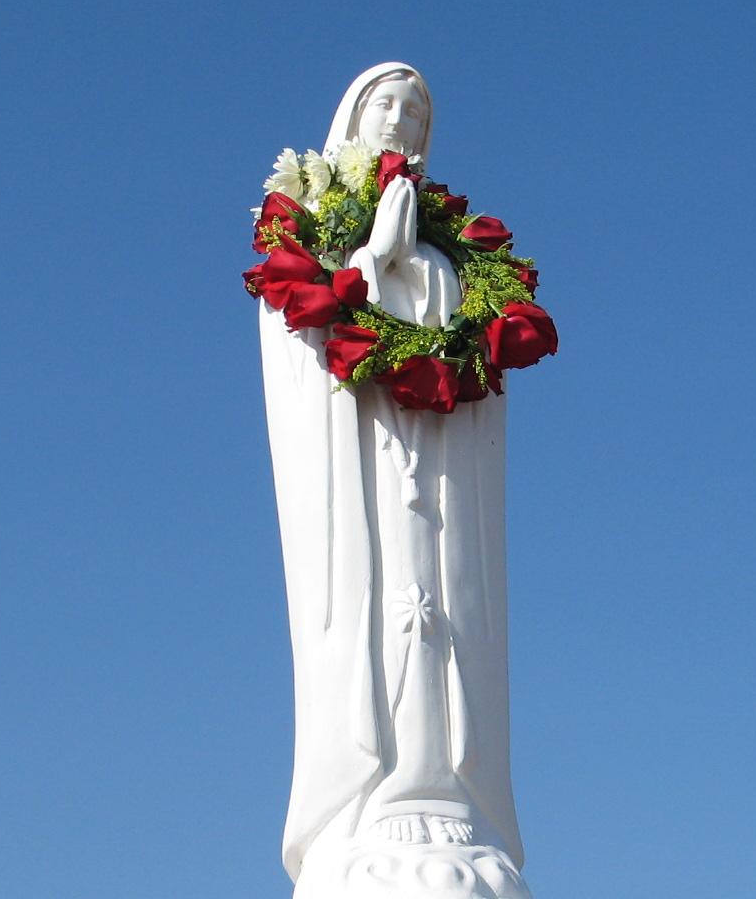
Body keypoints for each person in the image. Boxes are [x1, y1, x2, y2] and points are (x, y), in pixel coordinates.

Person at [256, 63, 527, 895]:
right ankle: (365, 794)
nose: (403, 122)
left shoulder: (450, 251)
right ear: (354, 115)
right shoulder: (313, 226)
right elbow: (297, 336)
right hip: (360, 460)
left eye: (417, 112)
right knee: (372, 611)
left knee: (444, 603)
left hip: (435, 471)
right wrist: (374, 259)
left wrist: (424, 271)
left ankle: (442, 787)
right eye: (388, 105)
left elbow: (468, 351)